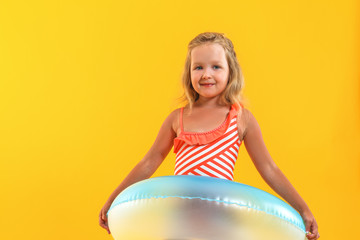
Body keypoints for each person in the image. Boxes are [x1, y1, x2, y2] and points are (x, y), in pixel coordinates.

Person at [99, 32, 320, 240]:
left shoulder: (241, 119)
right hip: (180, 218)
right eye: (198, 67)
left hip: (220, 220)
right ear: (189, 73)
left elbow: (269, 169)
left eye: (216, 66)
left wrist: (303, 209)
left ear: (230, 71)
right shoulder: (177, 118)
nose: (206, 74)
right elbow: (148, 162)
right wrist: (113, 200)